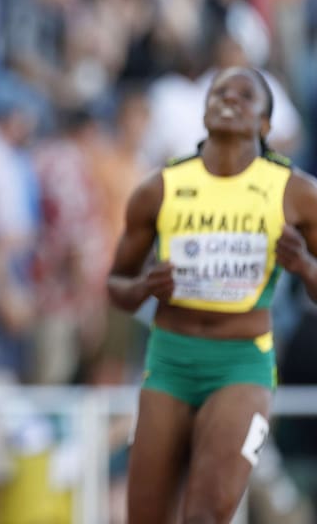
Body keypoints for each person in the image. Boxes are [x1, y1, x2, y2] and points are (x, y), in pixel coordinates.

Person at [108, 66, 317, 523]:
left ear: (265, 124)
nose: (229, 99)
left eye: (245, 95)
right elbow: (115, 286)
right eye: (219, 92)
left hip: (241, 364)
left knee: (205, 515)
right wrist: (144, 287)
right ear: (203, 113)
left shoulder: (296, 193)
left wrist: (303, 265)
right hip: (169, 363)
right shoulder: (160, 188)